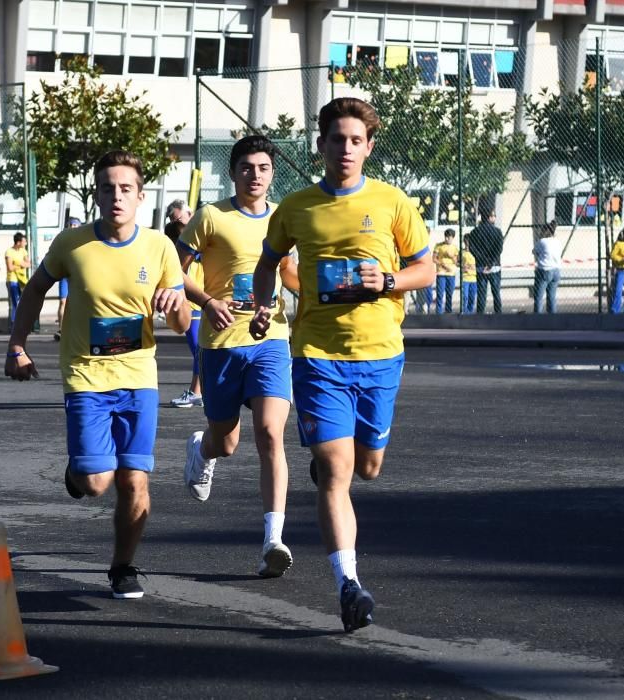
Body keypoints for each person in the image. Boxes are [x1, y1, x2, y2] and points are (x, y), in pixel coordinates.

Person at [251, 97, 435, 632]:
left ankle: (339, 459)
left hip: (381, 356)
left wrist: (390, 282)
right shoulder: (298, 207)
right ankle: (348, 585)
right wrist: (266, 306)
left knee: (368, 467)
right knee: (336, 474)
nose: (347, 148)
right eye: (337, 139)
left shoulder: (393, 202)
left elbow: (426, 268)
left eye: (357, 140)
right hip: (317, 357)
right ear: (322, 144)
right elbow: (268, 263)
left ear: (369, 146)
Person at [5, 150, 189, 600]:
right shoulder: (72, 244)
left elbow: (184, 325)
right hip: (87, 375)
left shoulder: (161, 247)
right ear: (97, 194)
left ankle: (122, 566)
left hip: (139, 376)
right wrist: (17, 345)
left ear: (141, 196)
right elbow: (35, 290)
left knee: (134, 479)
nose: (116, 196)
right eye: (107, 188)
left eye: (126, 188)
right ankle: (79, 470)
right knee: (96, 483)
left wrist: (175, 303)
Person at [178, 134, 299, 579]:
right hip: (221, 343)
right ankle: (202, 449)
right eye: (247, 167)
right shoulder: (211, 216)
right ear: (233, 172)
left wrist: (317, 292)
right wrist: (207, 301)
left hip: (271, 338)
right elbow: (177, 268)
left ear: (272, 174)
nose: (255, 175)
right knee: (225, 441)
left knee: (270, 433)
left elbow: (286, 271)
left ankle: (273, 539)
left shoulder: (283, 217)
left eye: (264, 167)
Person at [164, 218, 204, 408]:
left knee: (199, 350)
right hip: (196, 305)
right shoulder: (196, 254)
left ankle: (196, 392)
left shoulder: (187, 257)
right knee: (200, 350)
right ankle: (199, 391)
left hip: (194, 306)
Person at [54, 218, 82, 341]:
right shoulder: (62, 241)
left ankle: (77, 329)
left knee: (79, 303)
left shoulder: (83, 242)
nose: (72, 228)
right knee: (62, 302)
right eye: (70, 225)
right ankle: (61, 329)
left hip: (77, 276)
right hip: (65, 276)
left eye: (74, 226)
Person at [471, 209, 503, 314]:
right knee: (496, 292)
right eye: (494, 216)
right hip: (494, 267)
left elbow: (473, 249)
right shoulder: (497, 232)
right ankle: (498, 314)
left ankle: (480, 315)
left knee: (481, 293)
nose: (495, 218)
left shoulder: (475, 231)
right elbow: (499, 249)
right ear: (489, 217)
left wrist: (483, 260)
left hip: (481, 267)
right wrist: (491, 262)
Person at [532, 220, 562, 313]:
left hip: (544, 270)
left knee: (539, 297)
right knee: (552, 297)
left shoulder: (542, 241)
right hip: (556, 270)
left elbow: (534, 251)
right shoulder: (557, 241)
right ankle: (552, 319)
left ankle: (538, 320)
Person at [5, 232, 30, 331]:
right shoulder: (9, 252)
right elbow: (10, 267)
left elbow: (28, 264)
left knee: (22, 303)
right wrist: (21, 264)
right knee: (14, 302)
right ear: (18, 242)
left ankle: (21, 325)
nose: (26, 243)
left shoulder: (23, 251)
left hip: (22, 280)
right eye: (24, 241)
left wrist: (17, 263)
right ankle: (13, 326)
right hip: (12, 280)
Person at [433, 228, 458, 314]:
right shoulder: (438, 246)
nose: (447, 239)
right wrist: (442, 265)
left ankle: (448, 312)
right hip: (441, 272)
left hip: (451, 273)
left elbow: (456, 262)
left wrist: (451, 256)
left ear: (453, 238)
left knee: (449, 294)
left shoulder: (454, 248)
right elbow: (434, 259)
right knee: (440, 294)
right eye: (446, 237)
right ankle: (439, 313)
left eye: (449, 237)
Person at [461, 234, 477, 314]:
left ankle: (470, 313)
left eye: (469, 241)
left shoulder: (475, 252)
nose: (467, 242)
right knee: (465, 297)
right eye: (466, 241)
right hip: (465, 278)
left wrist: (474, 266)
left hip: (474, 278)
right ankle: (464, 313)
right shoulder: (462, 252)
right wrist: (463, 266)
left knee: (472, 298)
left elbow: (479, 262)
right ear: (464, 241)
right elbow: (457, 262)